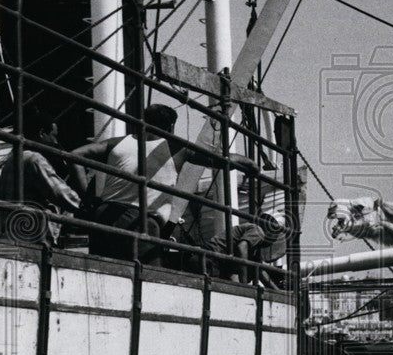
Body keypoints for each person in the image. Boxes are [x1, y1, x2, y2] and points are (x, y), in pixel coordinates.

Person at [71, 104, 257, 264]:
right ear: (171, 127)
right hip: (140, 221)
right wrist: (250, 163)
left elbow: (76, 155)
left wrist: (88, 197)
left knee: (103, 271)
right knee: (150, 280)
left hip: (103, 215)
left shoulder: (116, 142)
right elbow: (220, 160)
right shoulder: (175, 147)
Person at [0, 107, 80, 246]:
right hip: (35, 234)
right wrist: (83, 206)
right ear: (42, 133)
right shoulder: (34, 159)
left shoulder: (11, 160)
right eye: (54, 136)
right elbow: (59, 193)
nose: (56, 143)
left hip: (14, 230)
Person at [179, 206, 288, 287]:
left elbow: (259, 270)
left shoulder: (253, 241)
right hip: (210, 262)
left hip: (208, 261)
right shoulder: (257, 231)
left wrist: (276, 291)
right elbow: (242, 247)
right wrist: (244, 283)